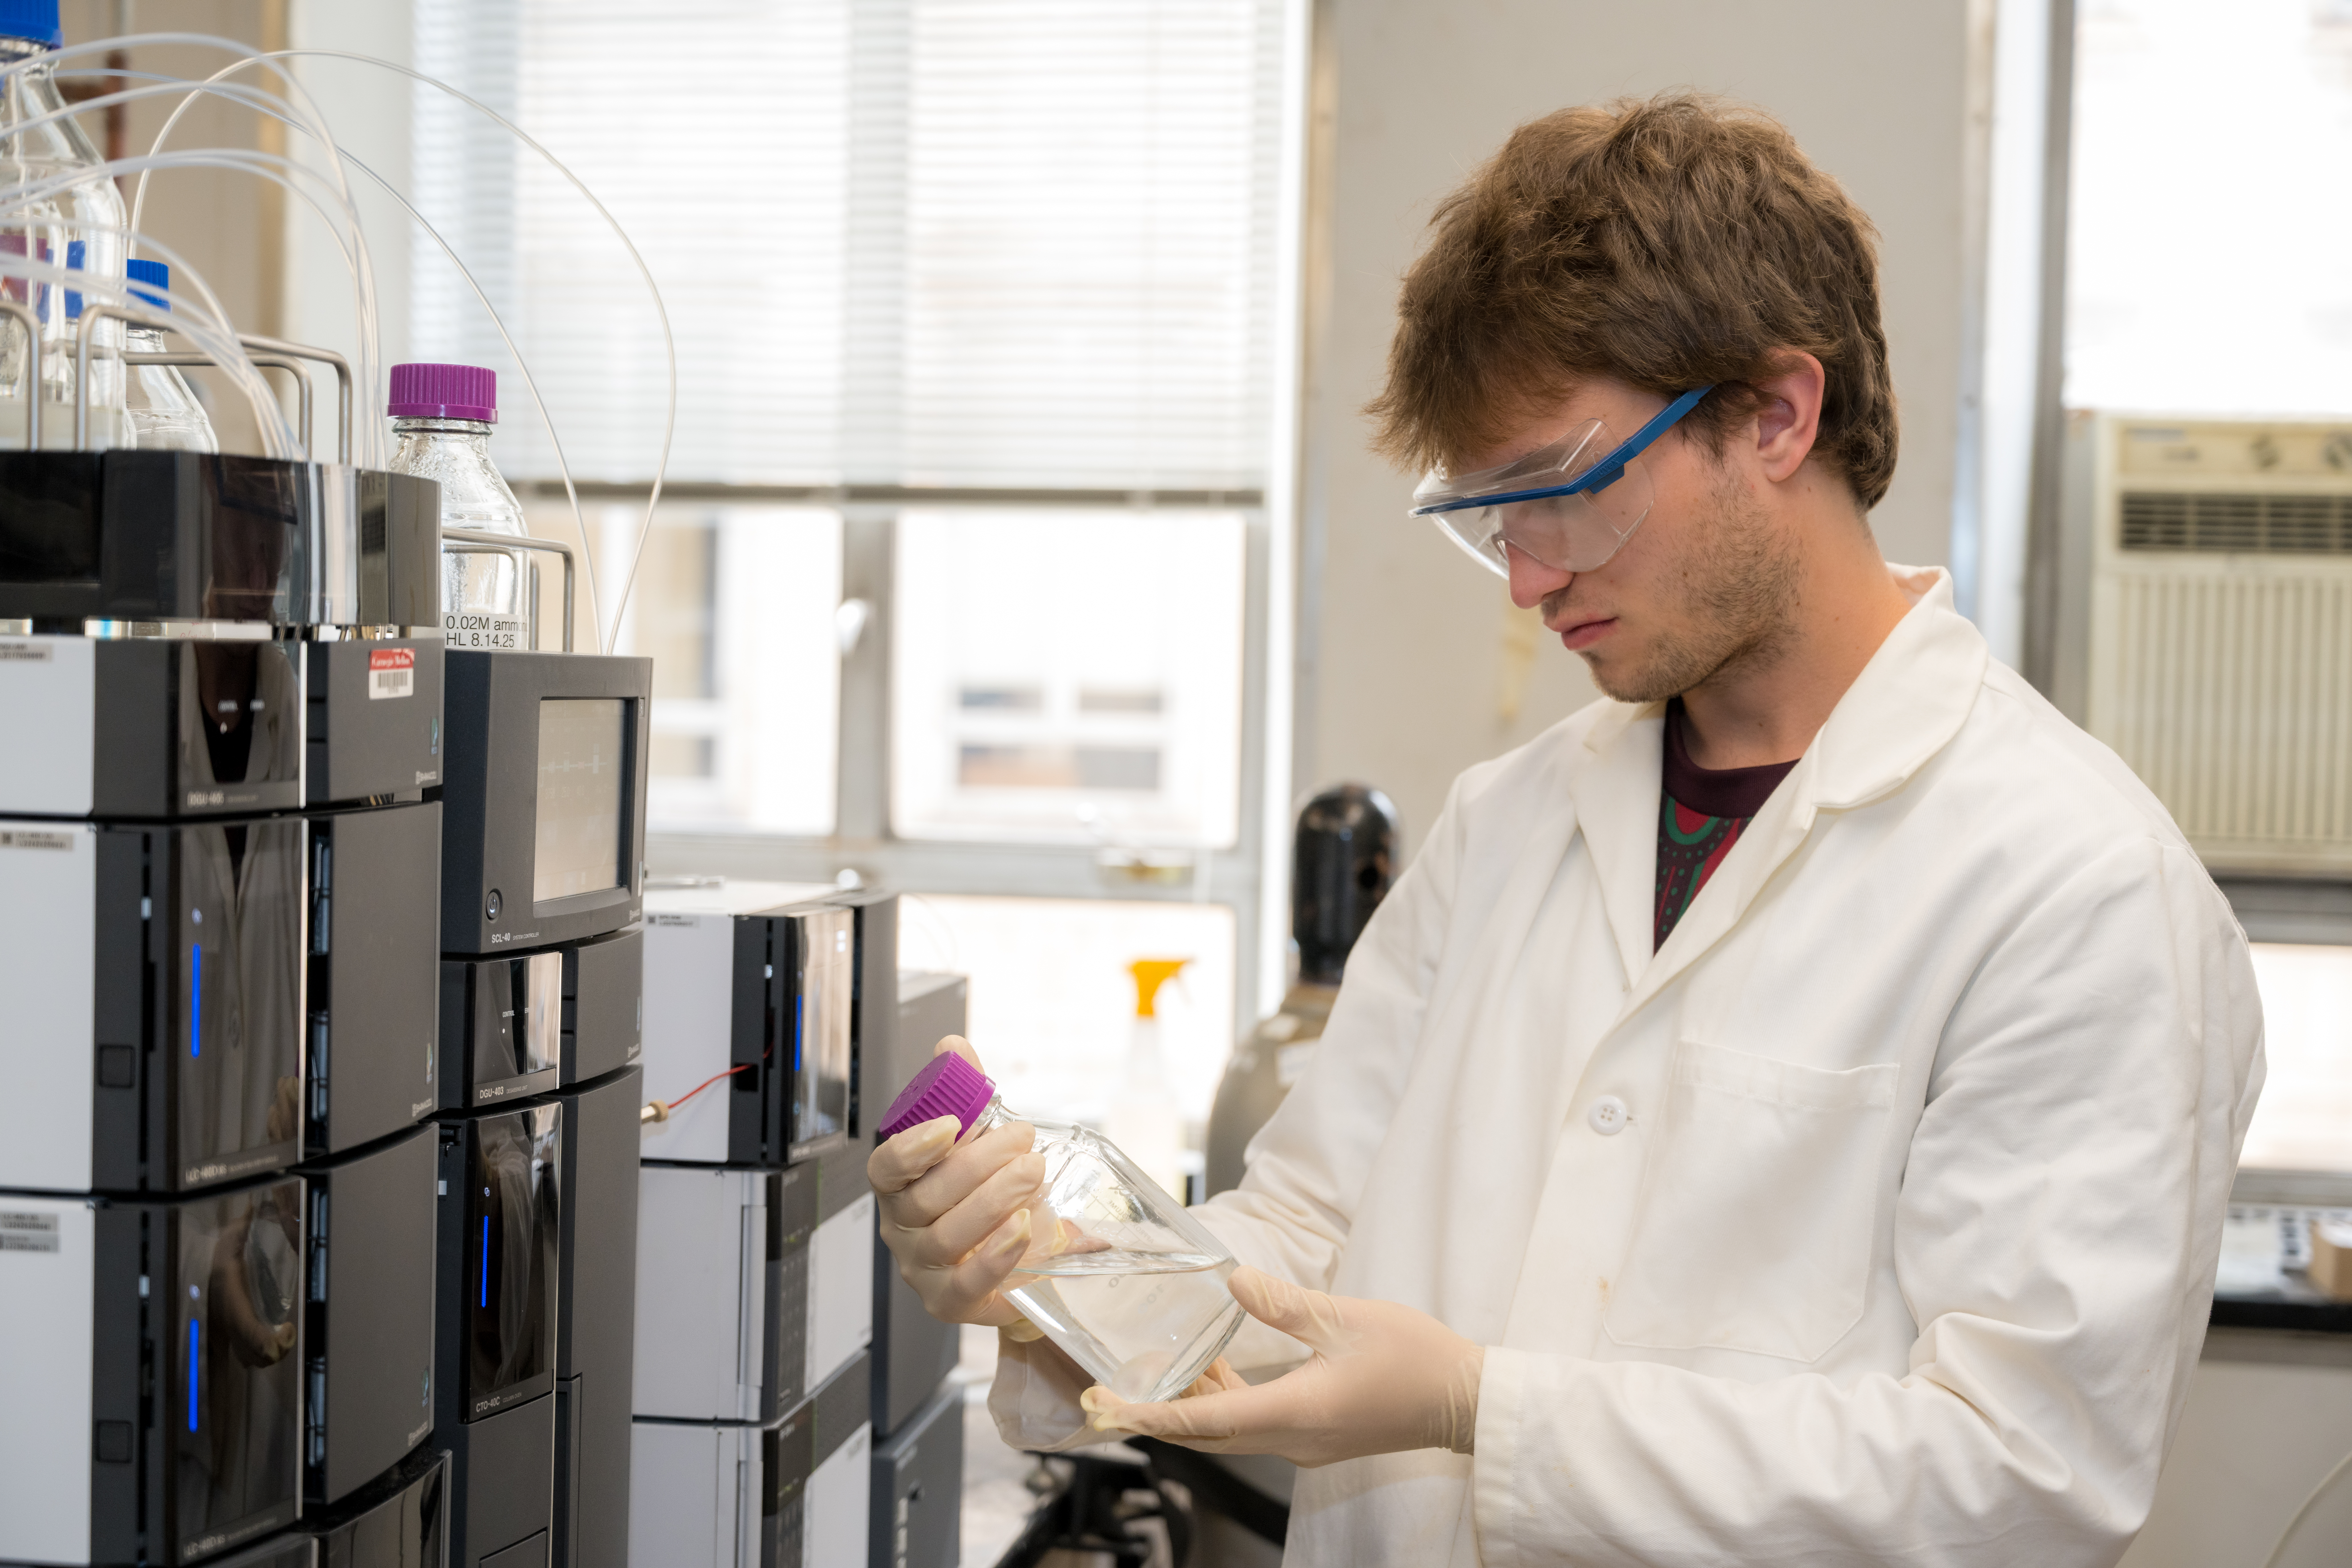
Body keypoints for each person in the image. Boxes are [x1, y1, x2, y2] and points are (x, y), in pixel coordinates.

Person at [868, 93, 2265, 1565]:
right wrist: (1055, 1278)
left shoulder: (2075, 888)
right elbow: (1302, 1249)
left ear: (1779, 414)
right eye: (1488, 515)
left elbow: (2019, 1481)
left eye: (1561, 490)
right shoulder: (1510, 823)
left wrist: (1486, 1405)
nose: (1525, 581)